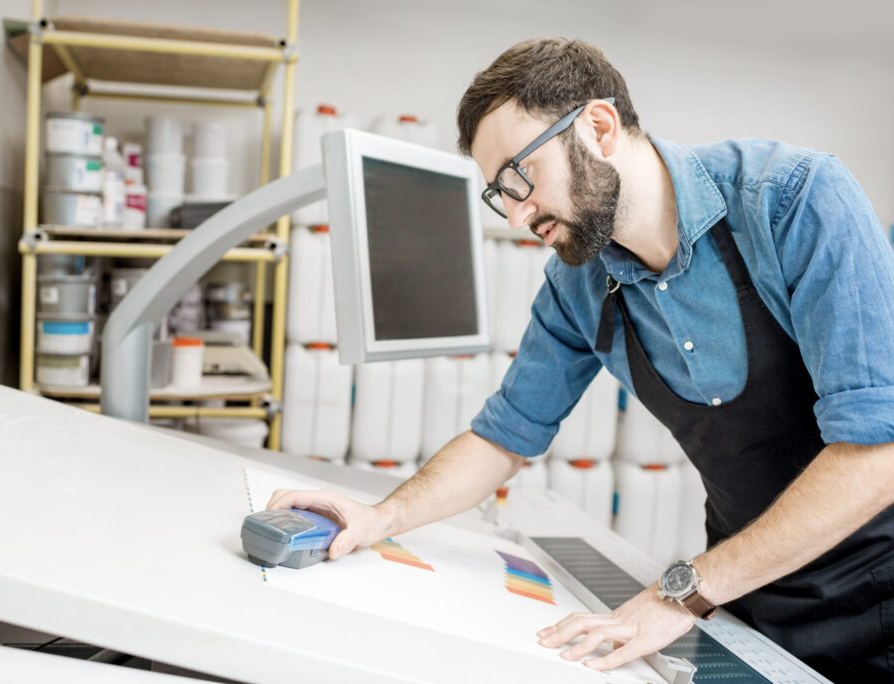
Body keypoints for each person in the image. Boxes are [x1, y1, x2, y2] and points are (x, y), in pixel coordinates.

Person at [268, 38, 894, 681]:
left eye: (518, 178)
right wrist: (382, 517)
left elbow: (878, 454)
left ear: (597, 127)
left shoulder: (791, 200)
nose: (516, 215)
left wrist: (683, 592)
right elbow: (504, 436)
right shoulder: (580, 282)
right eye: (499, 195)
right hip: (746, 590)